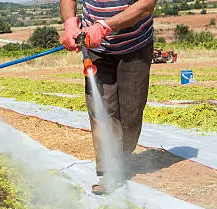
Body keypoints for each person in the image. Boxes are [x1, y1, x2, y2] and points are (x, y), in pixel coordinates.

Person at [59, 0, 157, 195]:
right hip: (96, 49)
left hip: (134, 46)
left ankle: (122, 156)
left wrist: (105, 27)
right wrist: (70, 22)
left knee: (131, 113)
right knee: (102, 109)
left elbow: (146, 5)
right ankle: (111, 170)